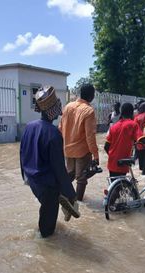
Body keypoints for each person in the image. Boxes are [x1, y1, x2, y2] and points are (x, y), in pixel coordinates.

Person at [20, 86, 80, 238]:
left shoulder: (29, 127)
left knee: (45, 207)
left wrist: (25, 176)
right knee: (47, 229)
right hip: (47, 185)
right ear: (53, 110)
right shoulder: (54, 134)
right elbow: (59, 168)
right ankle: (43, 241)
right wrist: (71, 194)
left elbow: (22, 154)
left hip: (31, 179)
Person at [59, 83, 99, 202]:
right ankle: (77, 202)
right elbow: (90, 136)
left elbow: (60, 128)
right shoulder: (89, 111)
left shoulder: (68, 107)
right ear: (91, 96)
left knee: (70, 174)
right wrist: (96, 155)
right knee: (81, 178)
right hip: (82, 151)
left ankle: (59, 193)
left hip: (67, 148)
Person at [104, 102, 137, 178]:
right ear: (132, 113)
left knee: (114, 184)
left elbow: (106, 147)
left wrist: (113, 156)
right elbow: (141, 140)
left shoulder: (114, 127)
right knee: (121, 184)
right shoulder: (133, 125)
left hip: (112, 162)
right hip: (123, 162)